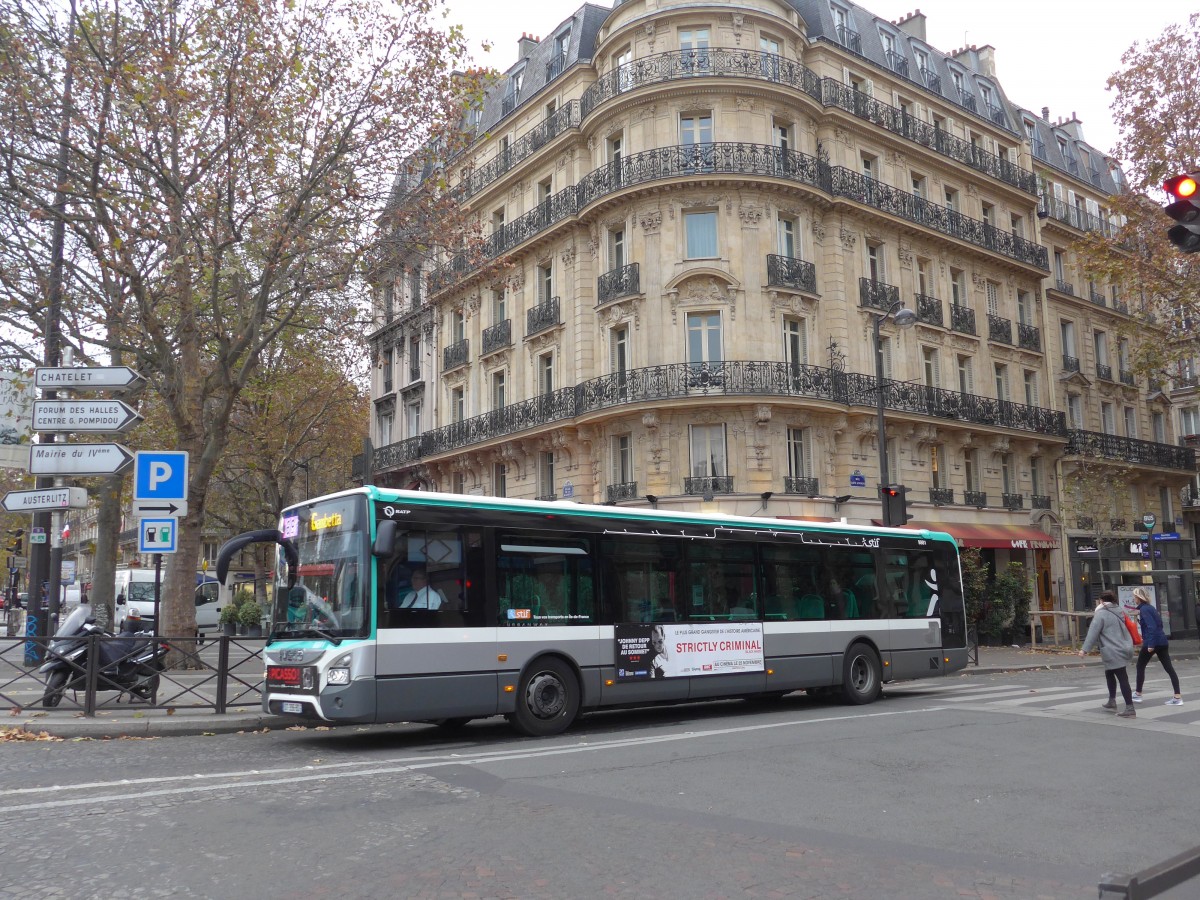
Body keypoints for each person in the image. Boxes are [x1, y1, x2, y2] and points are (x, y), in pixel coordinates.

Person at [1078, 590, 1136, 717]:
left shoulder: (1101, 614)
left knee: (1122, 677)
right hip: (1124, 646)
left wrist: (1084, 649)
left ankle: (1130, 707)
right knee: (1109, 672)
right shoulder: (1119, 610)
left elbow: (1092, 633)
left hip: (1112, 649)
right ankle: (1111, 700)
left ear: (1102, 601)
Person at [1132, 587, 1182, 705]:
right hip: (1162, 641)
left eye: (1134, 596)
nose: (1133, 599)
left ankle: (1138, 694)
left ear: (1139, 598)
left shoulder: (1144, 609)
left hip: (1152, 641)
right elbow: (1157, 625)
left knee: (1140, 666)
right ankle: (1177, 697)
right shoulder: (1150, 608)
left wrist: (1151, 644)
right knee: (1169, 668)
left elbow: (1152, 627)